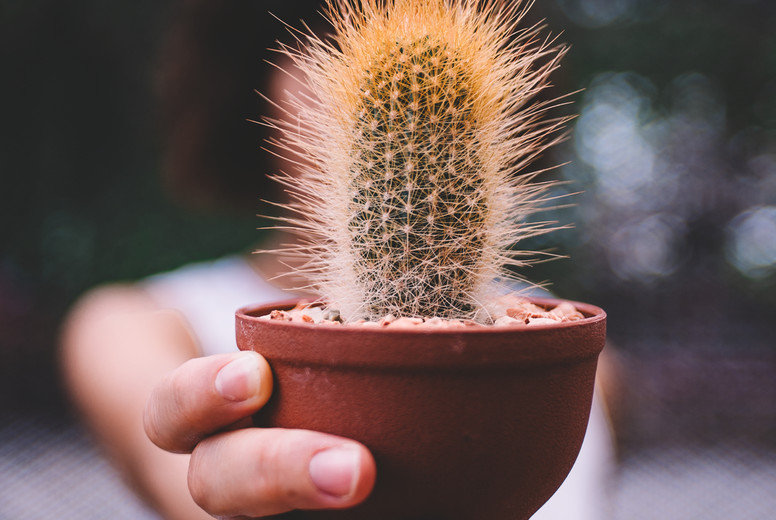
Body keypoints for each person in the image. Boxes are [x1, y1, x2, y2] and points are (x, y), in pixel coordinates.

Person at [61, 1, 616, 518]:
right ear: (253, 83)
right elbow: (172, 472)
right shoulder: (134, 325)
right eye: (333, 37)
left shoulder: (571, 351)